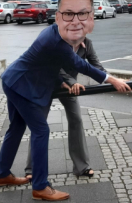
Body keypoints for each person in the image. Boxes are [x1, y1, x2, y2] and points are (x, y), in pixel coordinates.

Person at [0, 0, 131, 201]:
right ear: (58, 17)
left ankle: (2, 174)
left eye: (83, 14)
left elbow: (46, 64)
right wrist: (112, 79)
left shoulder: (54, 34)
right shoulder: (55, 40)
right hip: (22, 86)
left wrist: (62, 81)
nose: (75, 21)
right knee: (41, 131)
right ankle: (40, 186)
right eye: (68, 14)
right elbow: (82, 66)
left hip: (15, 81)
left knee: (17, 127)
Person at [25, 36, 105, 180]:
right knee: (40, 124)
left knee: (77, 120)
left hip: (70, 88)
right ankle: (32, 168)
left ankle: (82, 167)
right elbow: (55, 66)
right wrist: (71, 81)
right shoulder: (57, 41)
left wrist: (112, 79)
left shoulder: (87, 43)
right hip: (46, 83)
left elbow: (96, 66)